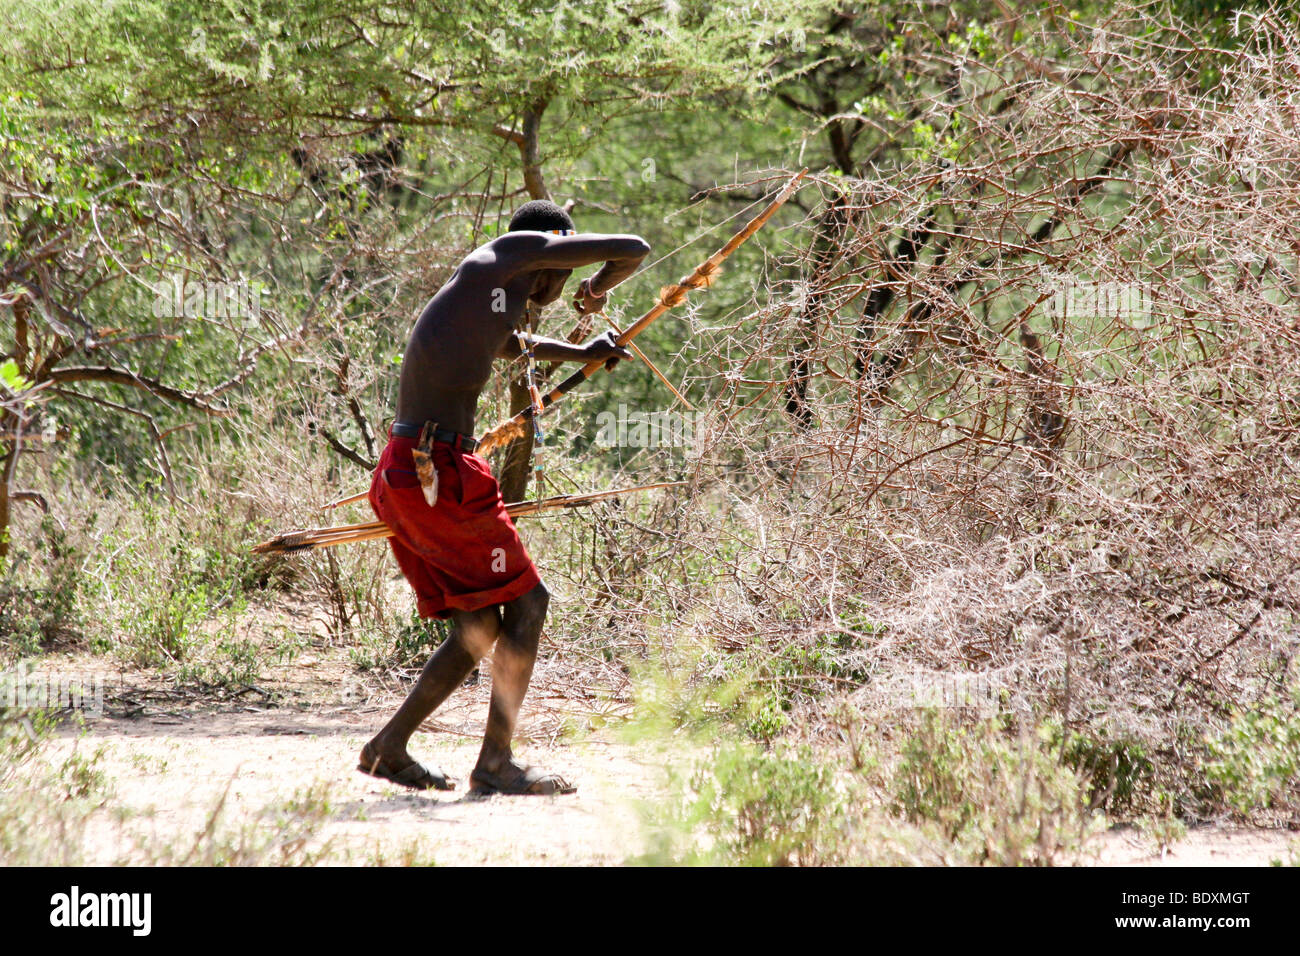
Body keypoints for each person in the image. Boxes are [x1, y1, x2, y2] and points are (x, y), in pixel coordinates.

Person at [358, 199, 649, 795]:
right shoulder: (507, 255)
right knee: (529, 603)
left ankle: (389, 747)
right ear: (548, 248)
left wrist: (583, 353)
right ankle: (494, 764)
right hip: (434, 471)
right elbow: (635, 249)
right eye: (562, 270)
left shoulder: (491, 295)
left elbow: (511, 345)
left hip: (414, 471)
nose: (559, 284)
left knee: (480, 624)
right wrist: (596, 287)